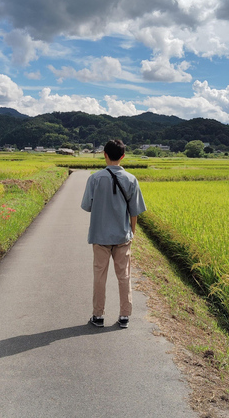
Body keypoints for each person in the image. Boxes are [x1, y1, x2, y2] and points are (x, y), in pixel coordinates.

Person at [80, 139, 147, 328]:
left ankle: (98, 316)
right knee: (124, 276)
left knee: (99, 276)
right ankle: (125, 316)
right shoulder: (131, 179)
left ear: (105, 154)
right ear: (123, 156)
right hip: (122, 236)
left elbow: (87, 206)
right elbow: (134, 212)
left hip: (100, 236)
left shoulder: (94, 178)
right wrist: (131, 232)